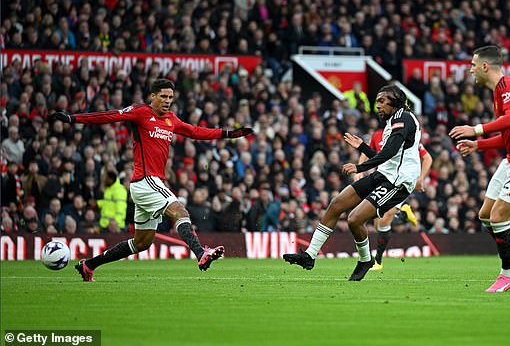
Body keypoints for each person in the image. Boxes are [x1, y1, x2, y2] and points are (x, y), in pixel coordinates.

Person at [49, 78, 253, 281]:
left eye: (170, 97)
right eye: (163, 96)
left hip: (149, 185)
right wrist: (72, 119)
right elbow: (109, 116)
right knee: (180, 211)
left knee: (141, 243)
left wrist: (227, 134)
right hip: (146, 180)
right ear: (152, 96)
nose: (167, 100)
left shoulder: (172, 119)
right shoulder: (141, 112)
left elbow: (195, 131)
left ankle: (88, 265)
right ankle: (200, 253)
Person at [283, 85, 421, 281]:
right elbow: (388, 157)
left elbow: (388, 153)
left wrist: (360, 167)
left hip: (398, 182)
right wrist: (363, 147)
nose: (378, 106)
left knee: (355, 219)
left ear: (396, 100)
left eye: (382, 101)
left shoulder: (403, 118)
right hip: (385, 174)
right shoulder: (394, 120)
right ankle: (310, 255)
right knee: (337, 204)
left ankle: (365, 260)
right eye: (377, 102)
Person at [449, 45, 510, 293]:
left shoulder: (508, 86)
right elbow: (509, 135)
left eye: (473, 65)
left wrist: (477, 128)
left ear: (485, 66)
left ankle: (508, 274)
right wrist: (478, 145)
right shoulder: (499, 92)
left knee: (498, 217)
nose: (470, 69)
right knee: (485, 214)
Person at [343, 130, 432, 271]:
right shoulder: (377, 135)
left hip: (399, 182)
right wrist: (360, 170)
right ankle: (401, 214)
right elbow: (367, 152)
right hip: (383, 179)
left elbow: (427, 158)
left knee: (383, 221)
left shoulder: (406, 134)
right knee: (379, 223)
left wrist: (420, 179)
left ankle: (378, 261)